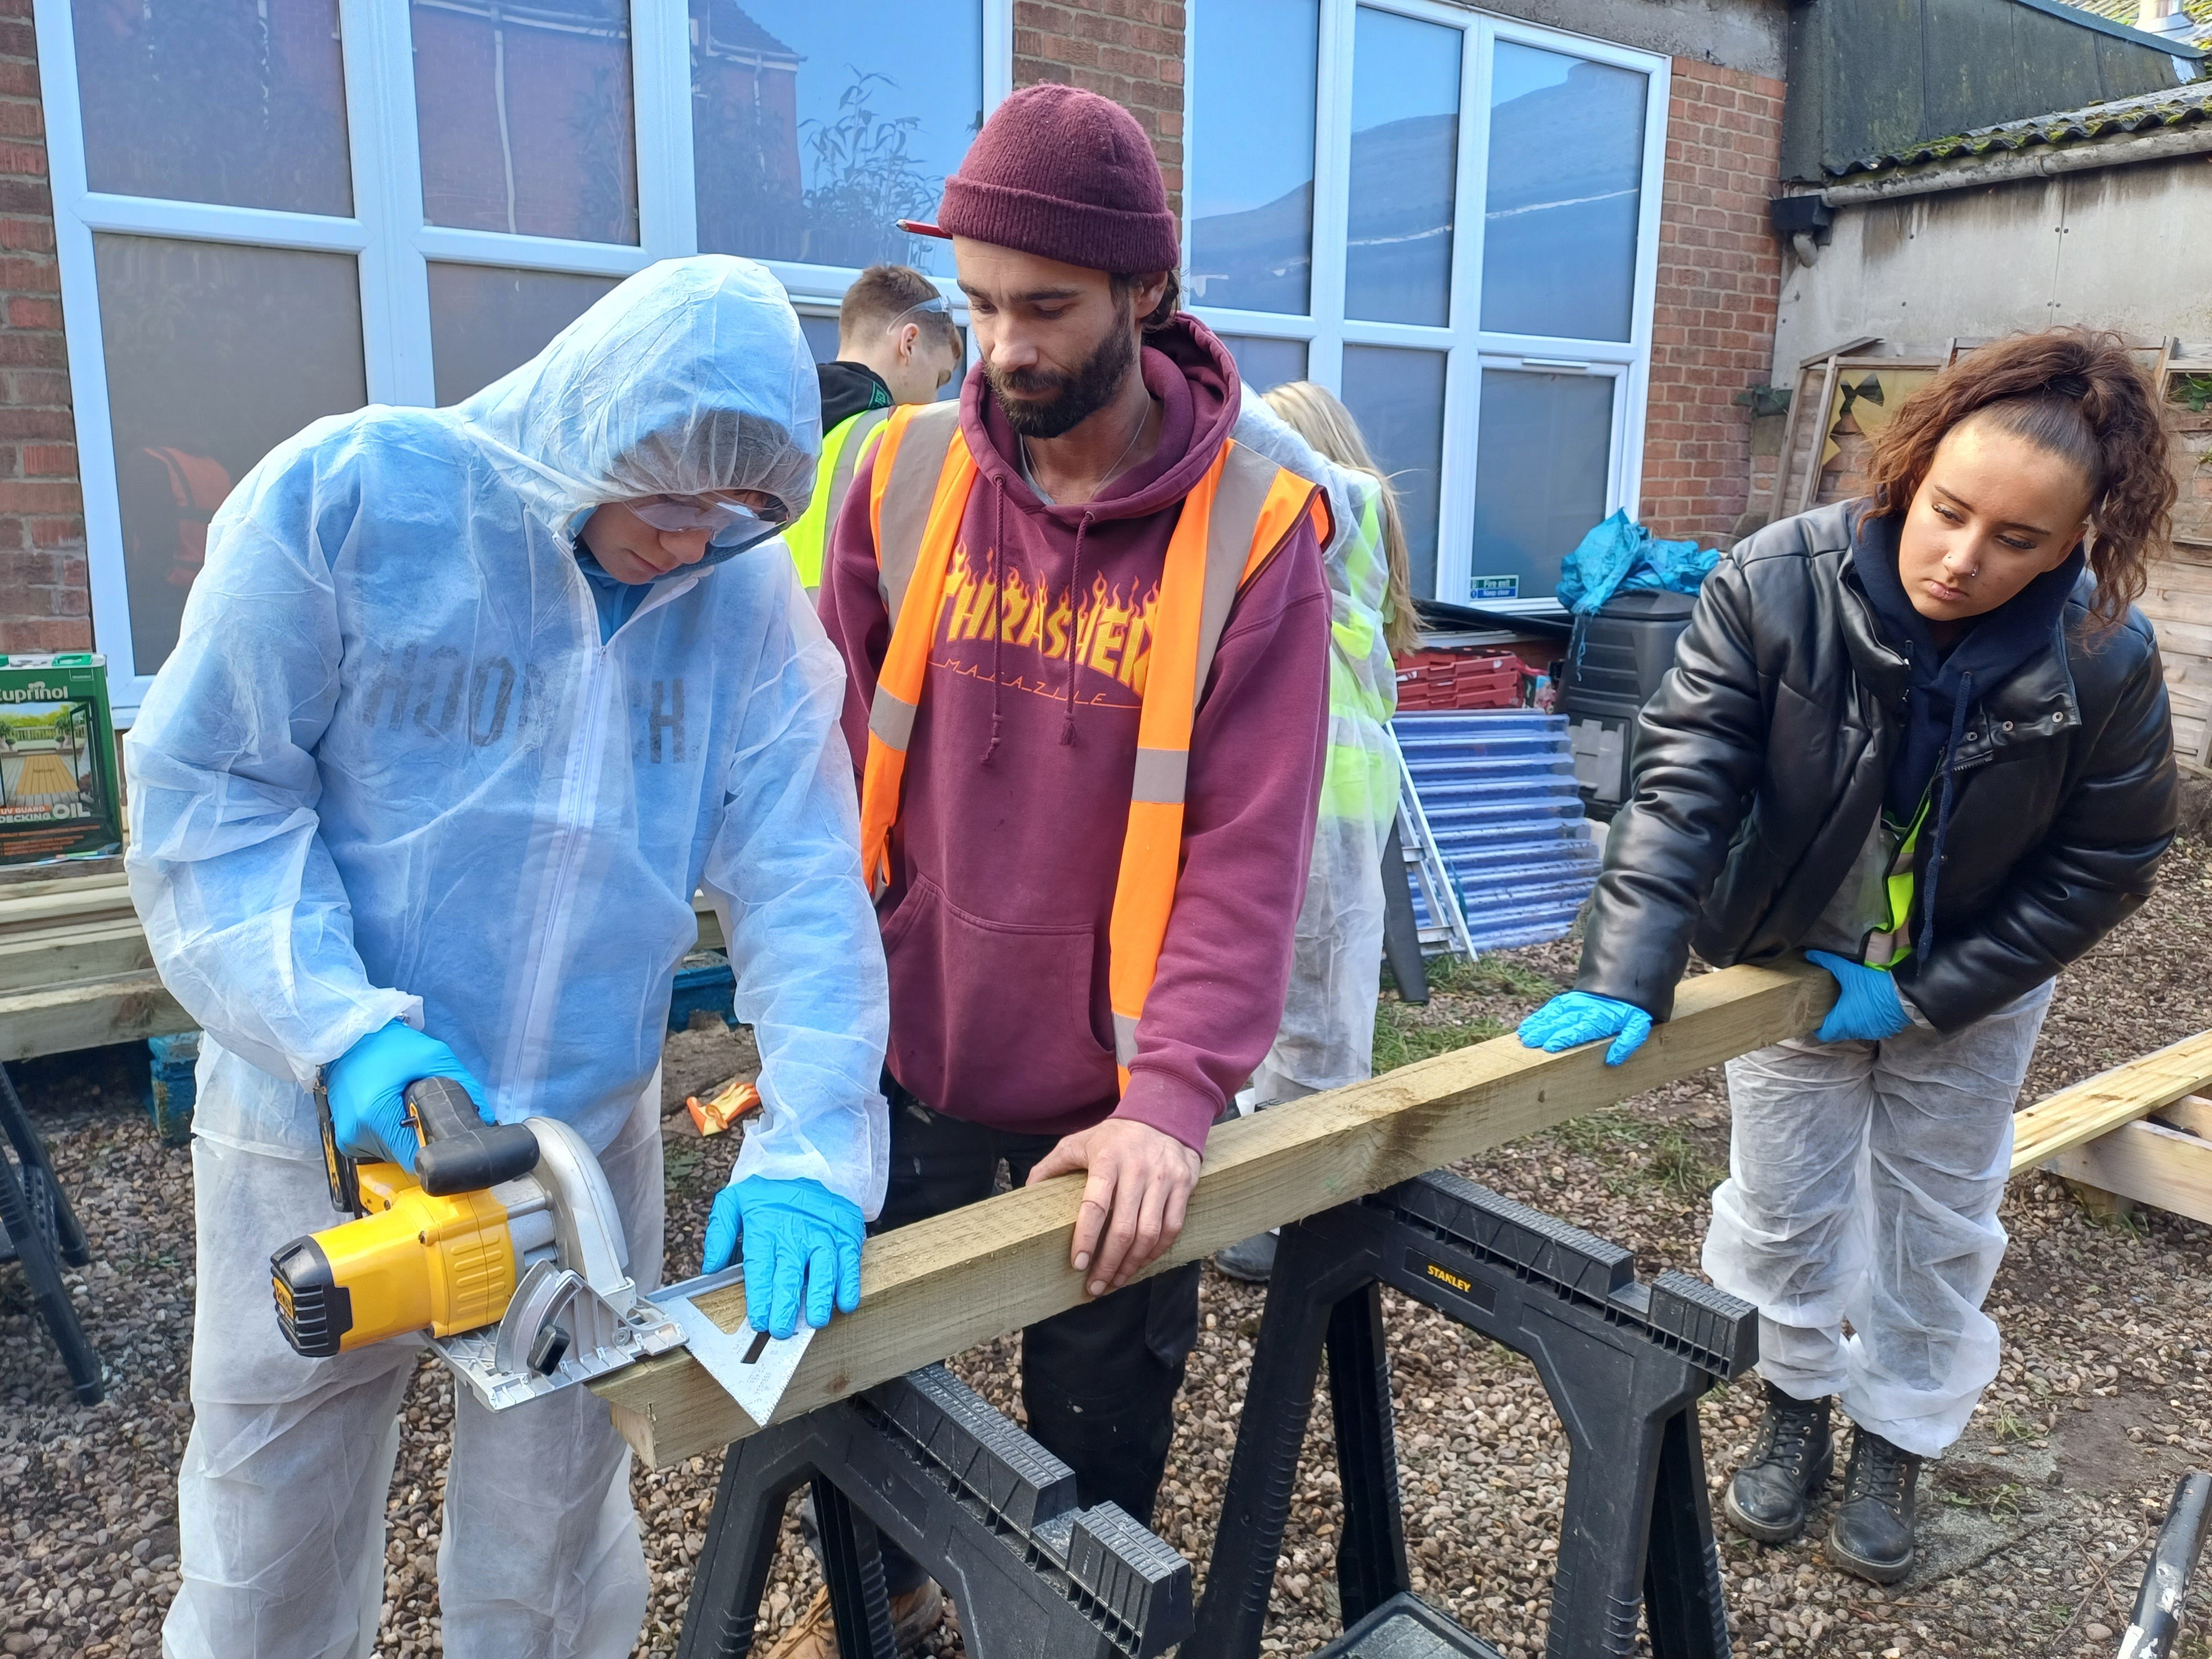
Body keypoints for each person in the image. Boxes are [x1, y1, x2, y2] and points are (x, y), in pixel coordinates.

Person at [128, 256, 890, 1659]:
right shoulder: (354, 504)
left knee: (553, 1538)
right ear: (592, 426)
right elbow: (215, 795)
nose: (692, 542)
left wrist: (815, 1143)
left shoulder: (743, 609)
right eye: (668, 500)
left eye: (738, 516)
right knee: (265, 1527)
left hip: (572, 1153)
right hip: (323, 1131)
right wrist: (341, 1029)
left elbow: (802, 885)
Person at [786, 83, 1333, 1657]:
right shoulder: (893, 479)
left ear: (1149, 294)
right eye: (977, 307)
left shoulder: (1255, 529)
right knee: (878, 1395)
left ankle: (1067, 1628)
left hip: (1108, 1097)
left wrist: (1172, 1097)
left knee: (1094, 1446)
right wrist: (814, 1040)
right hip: (911, 1049)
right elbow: (810, 789)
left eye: (1046, 307)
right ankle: (881, 1607)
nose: (1005, 346)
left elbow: (1248, 847)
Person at [1517, 328, 2178, 1584]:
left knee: (1938, 1222)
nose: (1962, 558)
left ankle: (1898, 1437)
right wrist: (1627, 963)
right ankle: (1795, 1401)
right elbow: (1682, 781)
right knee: (1782, 1208)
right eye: (1947, 512)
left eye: (2018, 541)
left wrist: (1927, 992)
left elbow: (2105, 862)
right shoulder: (1776, 580)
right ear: (1911, 469)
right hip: (1784, 964)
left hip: (1971, 988)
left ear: (2082, 538)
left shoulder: (2102, 657)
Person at [1211, 380, 1418, 1284]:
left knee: (1319, 1008)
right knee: (1280, 989)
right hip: (1318, 784)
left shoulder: (1351, 506)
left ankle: (1303, 1211)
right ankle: (1286, 1181)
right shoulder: (1347, 528)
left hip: (1324, 790)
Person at [784, 263, 965, 596]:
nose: (935, 398)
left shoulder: (782, 425)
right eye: (939, 379)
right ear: (909, 342)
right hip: (844, 643)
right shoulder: (896, 437)